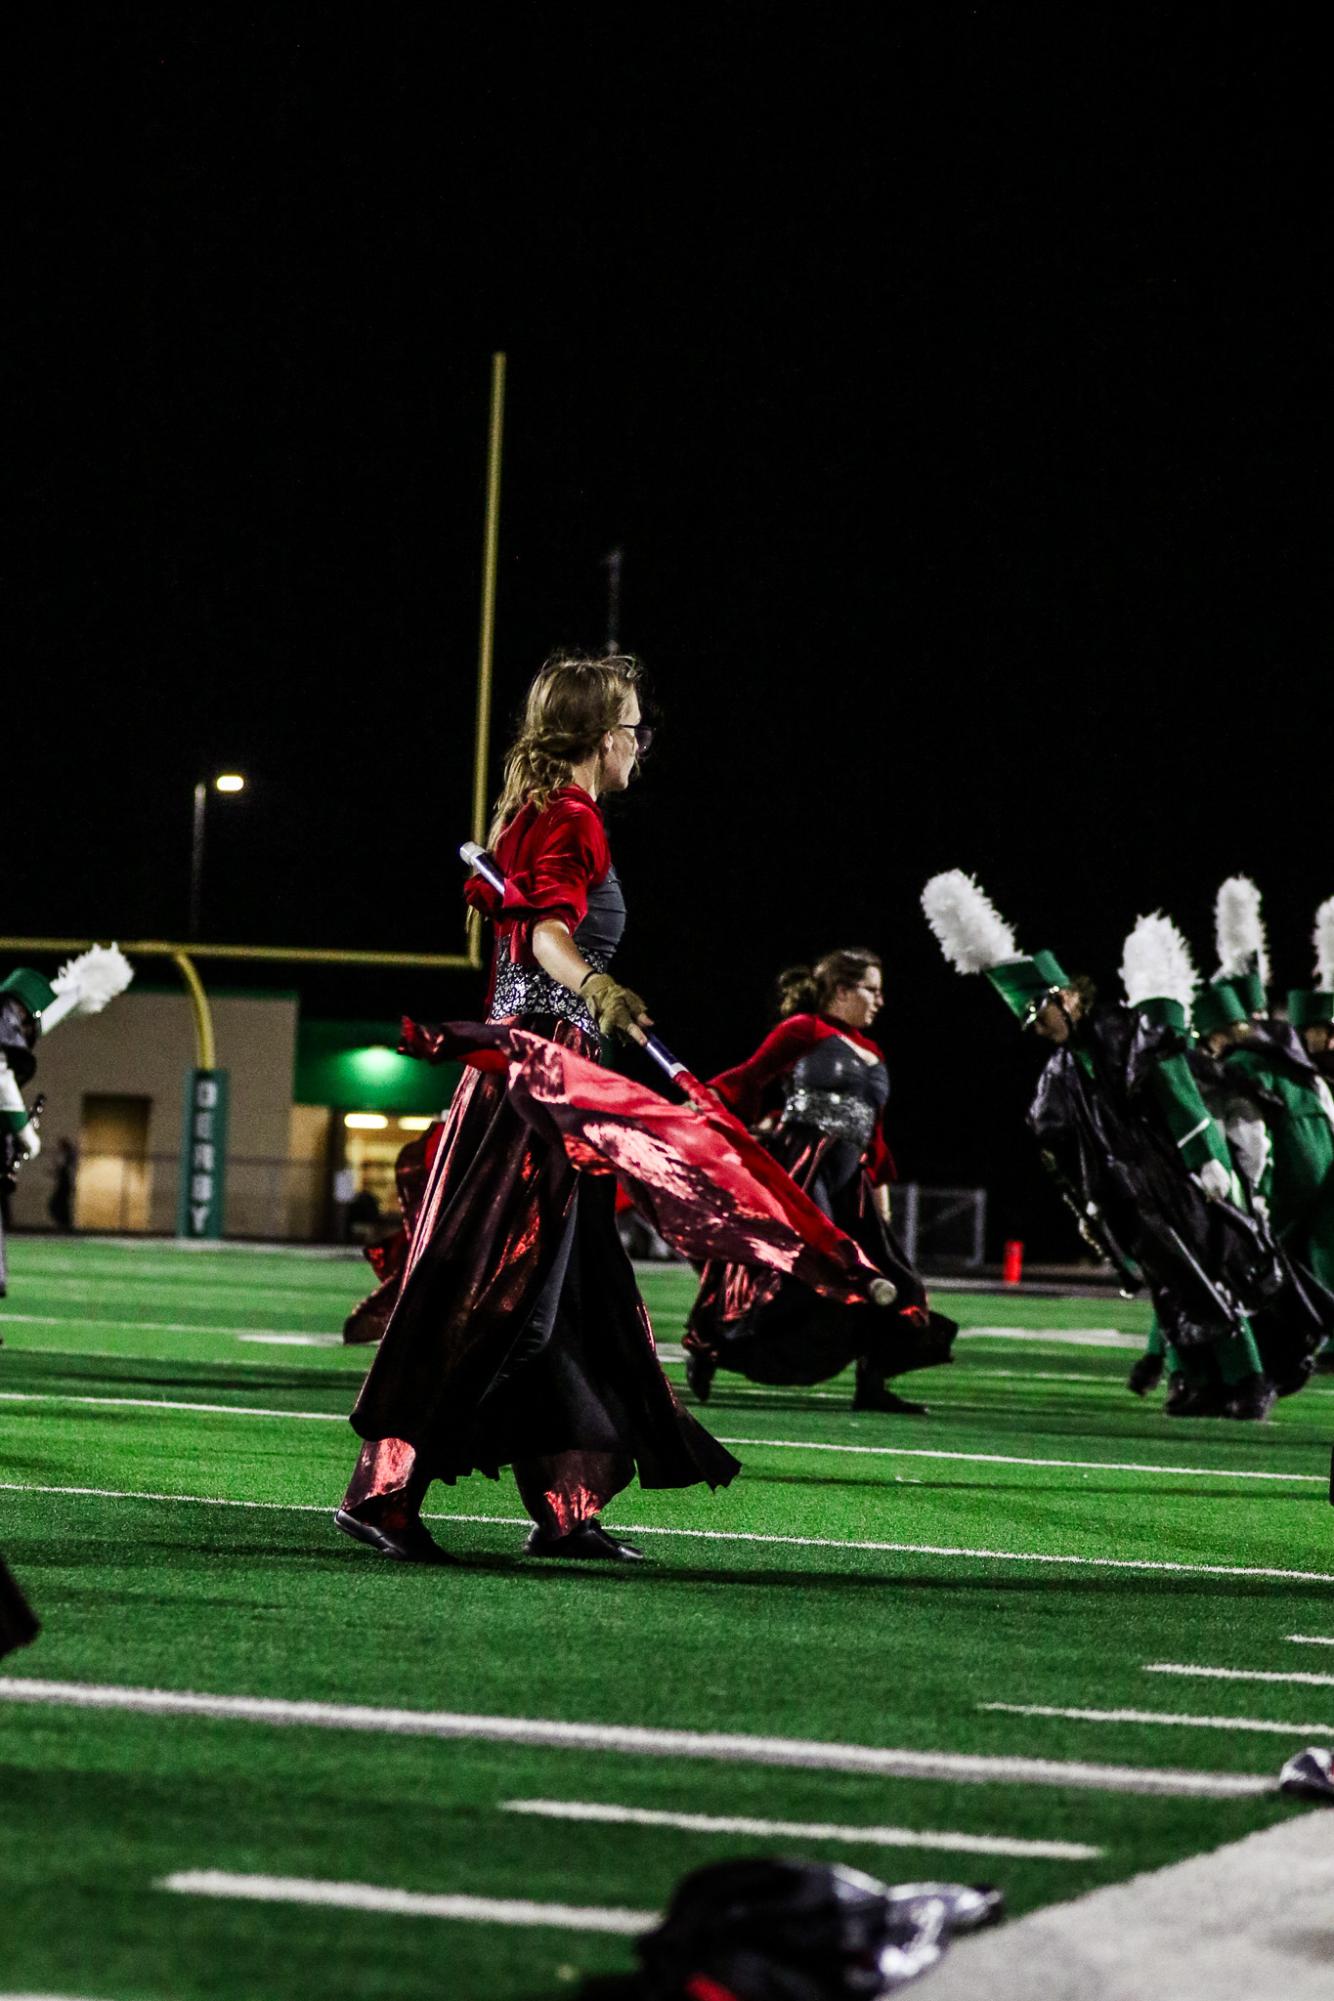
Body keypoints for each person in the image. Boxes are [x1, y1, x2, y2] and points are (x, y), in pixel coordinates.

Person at [335, 652, 739, 1564]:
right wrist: (598, 986)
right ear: (602, 736)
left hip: (538, 1084)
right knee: (514, 1298)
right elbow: (550, 934)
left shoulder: (535, 814)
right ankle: (385, 1486)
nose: (641, 741)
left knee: (578, 1297)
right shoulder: (571, 817)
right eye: (634, 724)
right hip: (541, 1087)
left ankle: (565, 1507)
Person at [922, 876, 1284, 1419]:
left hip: (1175, 1177)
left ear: (1066, 996)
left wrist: (1205, 1155)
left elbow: (1176, 1088)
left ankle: (1249, 1380)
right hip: (1127, 1192)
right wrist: (1088, 1204)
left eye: (1039, 1014)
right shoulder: (1061, 1071)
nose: (1037, 1029)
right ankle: (1197, 1382)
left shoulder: (1127, 1032)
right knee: (1167, 1287)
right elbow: (1061, 1144)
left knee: (1207, 1274)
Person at [683, 950, 957, 1413]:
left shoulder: (875, 1052)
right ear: (841, 991)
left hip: (852, 1177)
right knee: (802, 1267)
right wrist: (703, 1101)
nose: (880, 1000)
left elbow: (878, 1137)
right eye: (871, 989)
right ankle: (712, 1344)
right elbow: (750, 1077)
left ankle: (871, 1387)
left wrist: (880, 1201)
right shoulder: (804, 1029)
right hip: (803, 1166)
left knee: (893, 1277)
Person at [47, 1137, 76, 1232]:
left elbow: (64, 1168)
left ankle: (65, 1224)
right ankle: (64, 1224)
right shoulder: (67, 1157)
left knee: (58, 1204)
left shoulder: (68, 1156)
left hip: (65, 1185)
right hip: (64, 1184)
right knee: (60, 1205)